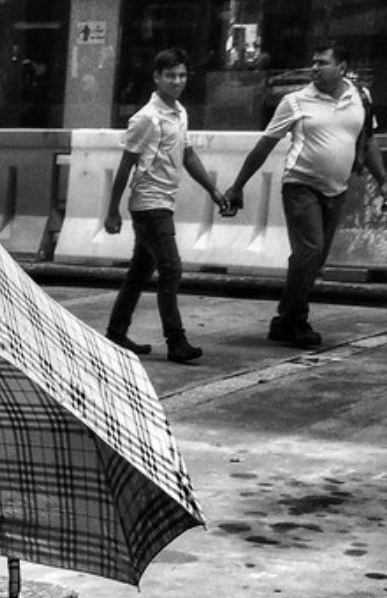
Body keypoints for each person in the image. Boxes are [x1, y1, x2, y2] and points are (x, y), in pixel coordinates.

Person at [221, 43, 387, 350]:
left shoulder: (360, 97)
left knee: (314, 259)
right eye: (313, 62)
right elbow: (265, 145)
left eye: (323, 63)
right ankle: (296, 320)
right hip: (301, 186)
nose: (315, 68)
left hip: (337, 190)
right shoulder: (295, 101)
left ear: (342, 68)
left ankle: (285, 320)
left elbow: (368, 142)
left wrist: (383, 181)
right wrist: (238, 185)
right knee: (310, 250)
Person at [103, 48, 230, 364]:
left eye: (182, 75)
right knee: (171, 269)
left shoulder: (179, 112)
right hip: (149, 204)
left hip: (162, 202)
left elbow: (187, 155)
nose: (177, 81)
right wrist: (112, 210)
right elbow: (126, 164)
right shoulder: (146, 118)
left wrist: (213, 190)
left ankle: (116, 332)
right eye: (170, 75)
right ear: (156, 77)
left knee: (139, 272)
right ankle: (176, 341)